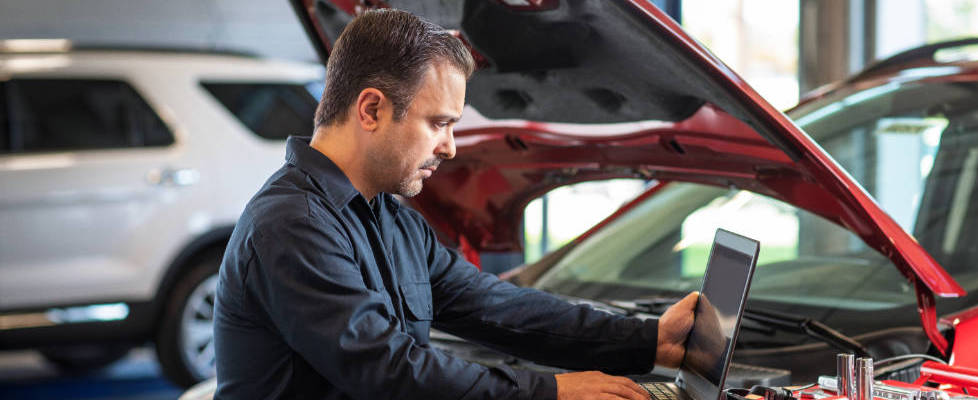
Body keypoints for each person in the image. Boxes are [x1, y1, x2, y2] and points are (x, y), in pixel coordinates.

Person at [213, 9, 697, 400]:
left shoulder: (392, 221)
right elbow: (386, 371)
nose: (450, 148)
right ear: (372, 109)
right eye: (439, 123)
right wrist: (552, 391)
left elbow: (497, 307)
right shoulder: (290, 226)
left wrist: (649, 339)